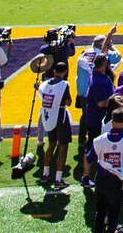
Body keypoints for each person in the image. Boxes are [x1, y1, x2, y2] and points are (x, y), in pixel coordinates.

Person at [87, 107, 123, 233]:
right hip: (117, 181)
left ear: (112, 121)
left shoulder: (100, 139)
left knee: (100, 212)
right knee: (113, 214)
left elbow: (89, 158)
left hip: (101, 179)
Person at [34, 59, 73, 190]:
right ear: (65, 72)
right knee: (63, 147)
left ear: (54, 71)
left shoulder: (45, 84)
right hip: (61, 116)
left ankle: (45, 174)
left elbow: (42, 94)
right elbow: (68, 102)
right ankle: (58, 178)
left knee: (51, 145)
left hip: (48, 116)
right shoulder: (64, 84)